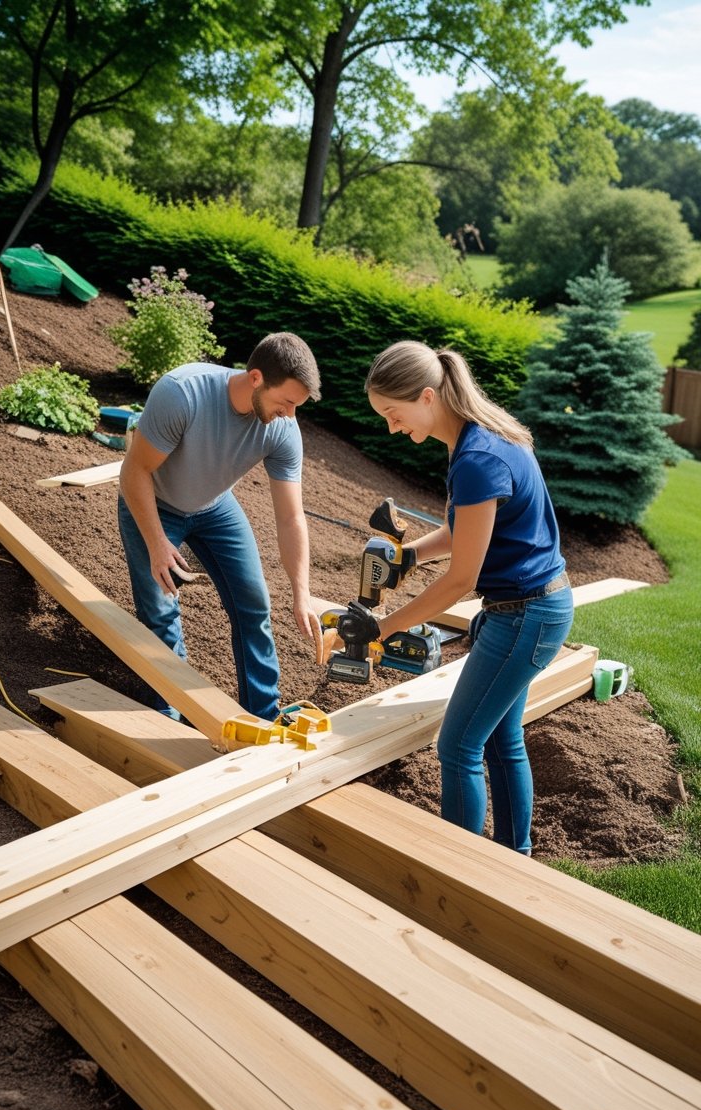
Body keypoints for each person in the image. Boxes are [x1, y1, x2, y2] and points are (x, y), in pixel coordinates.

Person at [347, 339, 574, 855]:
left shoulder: (476, 457)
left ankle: (462, 873)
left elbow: (461, 579)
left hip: (525, 615)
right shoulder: (479, 438)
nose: (391, 426)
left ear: (427, 397)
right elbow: (468, 530)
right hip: (531, 608)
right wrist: (410, 555)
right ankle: (515, 856)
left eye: (393, 413)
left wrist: (381, 628)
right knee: (499, 737)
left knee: (457, 746)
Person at [118, 332, 323, 721]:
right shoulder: (184, 393)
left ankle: (263, 715)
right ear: (257, 378)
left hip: (214, 507)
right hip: (154, 501)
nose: (291, 415)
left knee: (253, 604)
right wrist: (157, 542)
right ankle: (171, 714)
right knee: (161, 609)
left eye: (297, 406)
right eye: (287, 402)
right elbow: (134, 471)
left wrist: (302, 593)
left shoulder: (282, 428)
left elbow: (290, 516)